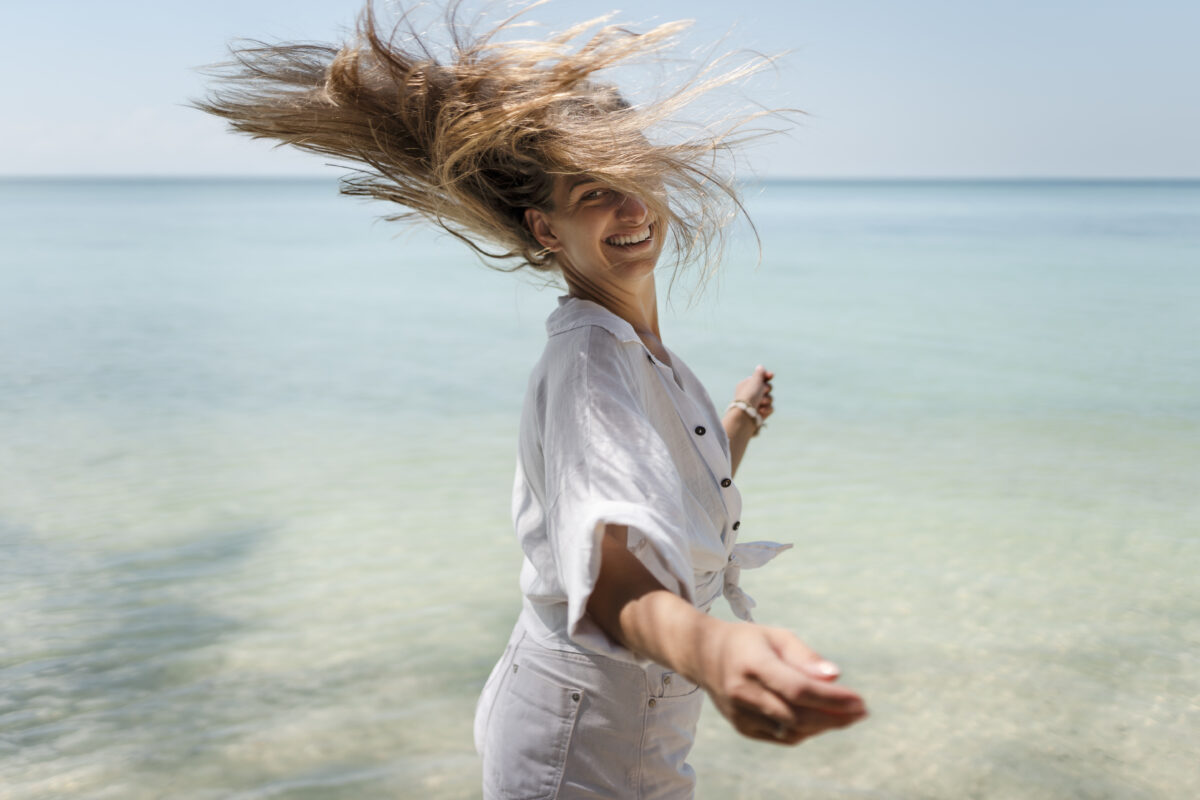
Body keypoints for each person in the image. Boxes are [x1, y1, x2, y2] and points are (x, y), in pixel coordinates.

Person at [195, 2, 867, 797]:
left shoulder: (641, 352)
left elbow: (664, 490)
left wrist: (737, 421)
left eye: (632, 174)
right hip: (574, 746)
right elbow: (613, 583)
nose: (629, 207)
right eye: (592, 192)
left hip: (623, 724)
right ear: (546, 231)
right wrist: (717, 653)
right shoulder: (589, 362)